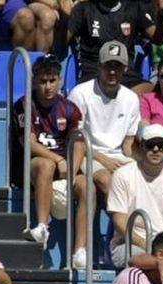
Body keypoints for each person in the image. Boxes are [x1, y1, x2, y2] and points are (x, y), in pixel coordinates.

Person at [17, 54, 86, 250]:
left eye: (52, 81)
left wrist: (71, 172)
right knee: (46, 165)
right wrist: (58, 160)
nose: (48, 87)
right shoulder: (24, 105)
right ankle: (42, 227)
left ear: (60, 80)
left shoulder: (70, 108)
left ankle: (80, 250)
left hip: (65, 167)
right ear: (34, 81)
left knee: (87, 186)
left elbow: (79, 143)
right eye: (43, 81)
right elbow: (28, 143)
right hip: (36, 164)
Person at [68, 41, 141, 215]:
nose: (112, 71)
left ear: (125, 69)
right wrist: (104, 160)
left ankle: (138, 227)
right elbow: (76, 140)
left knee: (142, 180)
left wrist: (140, 162)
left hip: (117, 155)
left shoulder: (131, 98)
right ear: (99, 66)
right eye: (108, 65)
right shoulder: (80, 93)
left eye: (117, 66)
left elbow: (128, 143)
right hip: (86, 153)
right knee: (107, 180)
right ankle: (126, 227)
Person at [107, 124, 163, 268]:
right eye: (150, 145)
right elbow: (120, 222)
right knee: (152, 263)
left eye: (161, 146)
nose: (156, 149)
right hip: (130, 244)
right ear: (141, 147)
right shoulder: (122, 175)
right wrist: (149, 246)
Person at [66, 0, 154, 90]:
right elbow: (63, 41)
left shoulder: (134, 7)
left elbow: (156, 39)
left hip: (125, 72)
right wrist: (65, 17)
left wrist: (161, 15)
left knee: (150, 91)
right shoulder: (84, 8)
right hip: (94, 72)